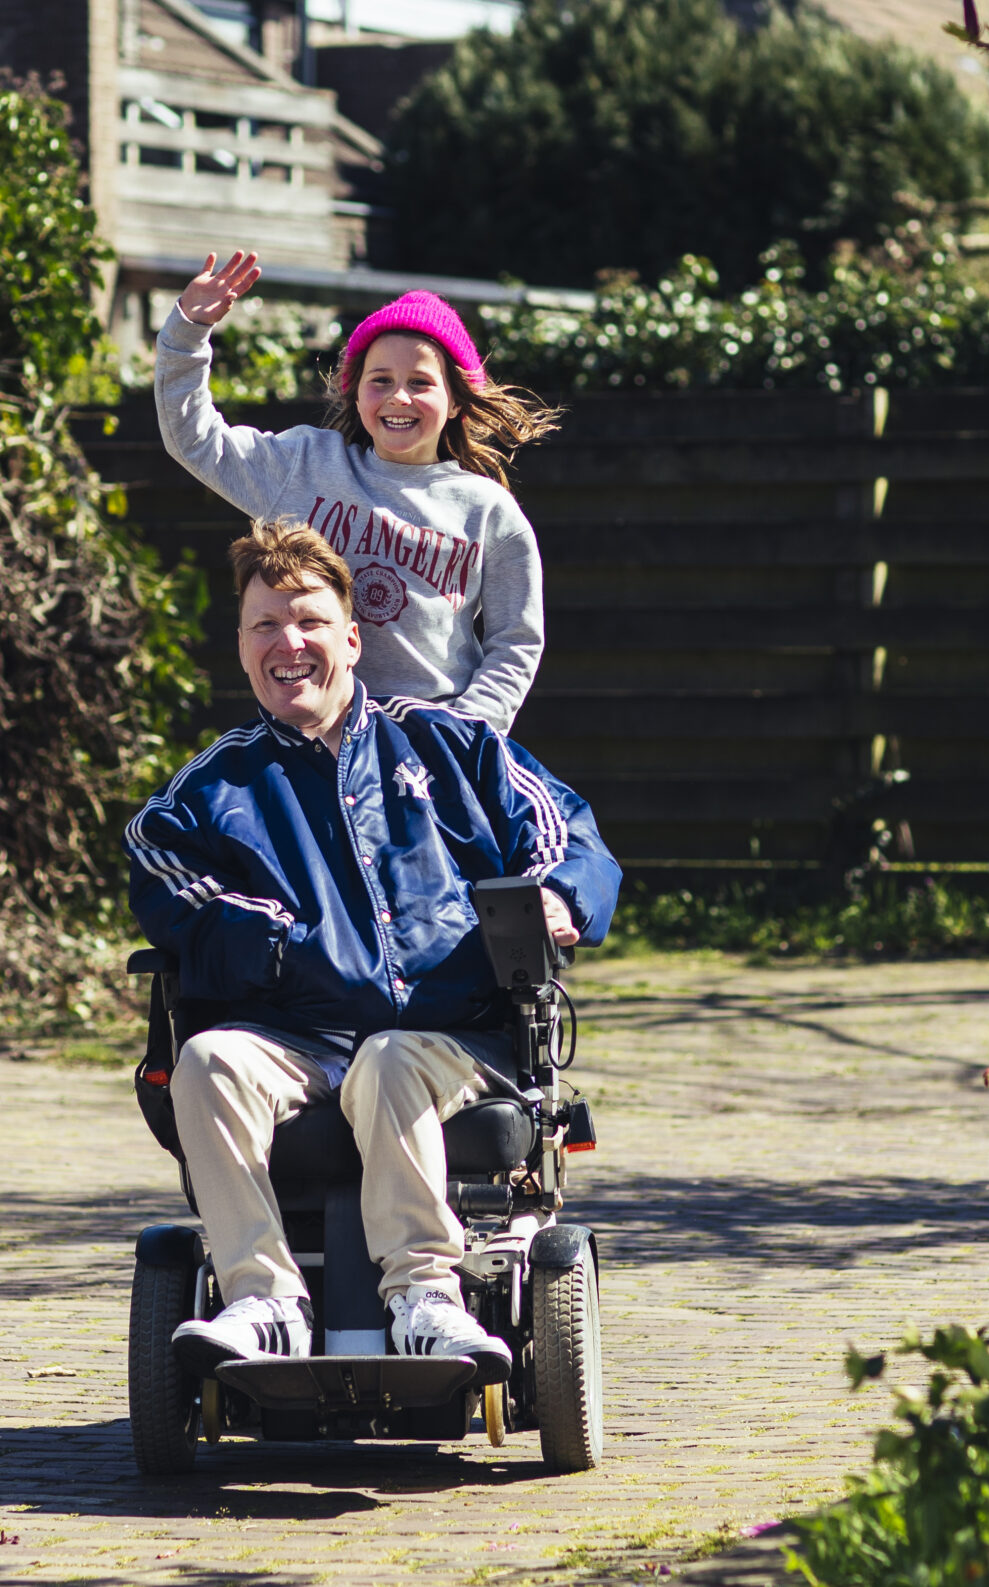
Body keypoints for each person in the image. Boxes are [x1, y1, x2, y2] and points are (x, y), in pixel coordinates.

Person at [125, 519, 621, 1376]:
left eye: (310, 621)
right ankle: (265, 1297)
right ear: (242, 648)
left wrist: (558, 895)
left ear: (353, 638)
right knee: (206, 1059)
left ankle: (427, 1295)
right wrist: (293, 945)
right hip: (300, 1038)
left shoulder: (452, 744)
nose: (290, 643)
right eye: (265, 626)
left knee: (389, 1059)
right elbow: (165, 875)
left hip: (449, 1036)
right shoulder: (212, 789)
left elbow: (565, 835)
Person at [154, 251, 559, 733]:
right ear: (357, 393)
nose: (398, 397)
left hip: (432, 743)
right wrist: (187, 332)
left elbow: (516, 642)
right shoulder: (306, 464)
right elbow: (195, 439)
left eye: (421, 383)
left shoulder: (490, 513)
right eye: (380, 380)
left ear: (456, 403)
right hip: (312, 736)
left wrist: (468, 732)